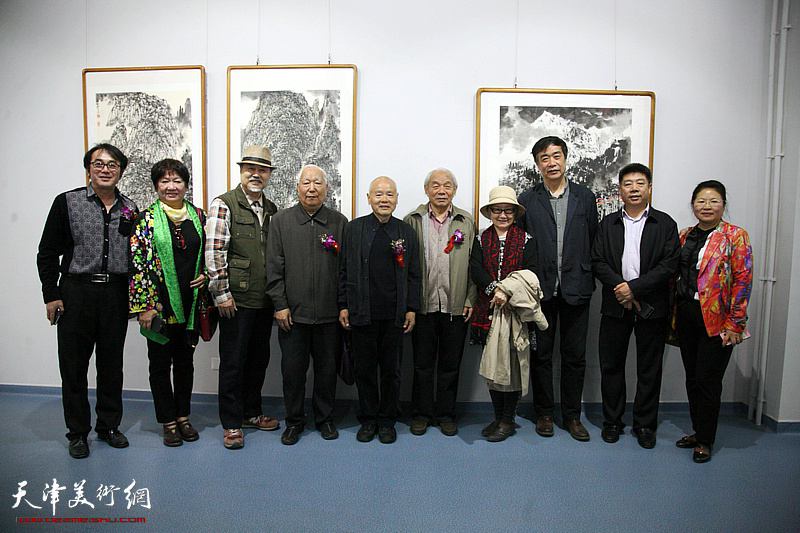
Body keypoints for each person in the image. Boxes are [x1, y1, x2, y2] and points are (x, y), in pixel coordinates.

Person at [37, 143, 137, 458]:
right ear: (89, 169)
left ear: (121, 170)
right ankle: (78, 433)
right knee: (74, 366)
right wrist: (51, 295)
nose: (105, 169)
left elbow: (138, 256)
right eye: (99, 163)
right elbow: (47, 252)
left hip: (115, 294)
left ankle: (108, 426)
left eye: (112, 164)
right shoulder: (67, 202)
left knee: (111, 365)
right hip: (75, 292)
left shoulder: (130, 208)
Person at [591, 163, 680, 449]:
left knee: (649, 369)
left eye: (640, 183)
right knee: (612, 366)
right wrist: (621, 288)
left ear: (649, 188)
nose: (634, 189)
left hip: (652, 306)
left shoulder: (665, 224)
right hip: (615, 305)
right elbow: (598, 261)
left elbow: (670, 265)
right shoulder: (607, 224)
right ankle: (613, 422)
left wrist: (635, 288)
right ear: (620, 190)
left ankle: (644, 425)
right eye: (627, 184)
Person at [517, 136, 598, 441]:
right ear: (537, 164)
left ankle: (573, 416)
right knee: (541, 355)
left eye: (556, 156)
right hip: (540, 291)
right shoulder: (527, 200)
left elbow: (592, 239)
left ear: (566, 159)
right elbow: (522, 246)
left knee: (575, 357)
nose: (551, 163)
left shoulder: (584, 198)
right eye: (544, 158)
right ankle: (544, 414)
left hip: (577, 287)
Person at [266, 164, 347, 445]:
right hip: (293, 315)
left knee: (326, 373)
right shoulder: (281, 221)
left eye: (317, 183)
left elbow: (344, 270)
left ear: (326, 188)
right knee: (293, 373)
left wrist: (343, 306)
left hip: (329, 315)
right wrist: (280, 304)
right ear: (297, 187)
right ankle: (294, 422)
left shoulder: (339, 222)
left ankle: (324, 419)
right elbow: (274, 268)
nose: (311, 188)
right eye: (306, 183)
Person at [205, 145, 280, 449]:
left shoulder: (272, 209)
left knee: (258, 360)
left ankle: (252, 413)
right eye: (250, 168)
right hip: (235, 300)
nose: (255, 174)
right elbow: (214, 252)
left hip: (264, 300)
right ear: (241, 171)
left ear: (269, 175)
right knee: (233, 363)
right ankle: (232, 424)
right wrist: (221, 294)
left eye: (262, 169)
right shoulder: (224, 204)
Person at [673, 180, 753, 463]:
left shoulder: (735, 237)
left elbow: (743, 282)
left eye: (713, 201)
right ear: (693, 205)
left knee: (708, 381)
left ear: (723, 205)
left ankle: (706, 440)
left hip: (717, 319)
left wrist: (736, 324)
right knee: (693, 379)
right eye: (701, 201)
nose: (706, 206)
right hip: (686, 314)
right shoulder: (684, 236)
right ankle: (698, 430)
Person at [129, 159, 206, 447]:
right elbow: (137, 265)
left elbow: (210, 255)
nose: (171, 186)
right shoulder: (147, 219)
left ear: (186, 185)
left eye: (177, 181)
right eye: (164, 181)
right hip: (158, 308)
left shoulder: (200, 216)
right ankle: (168, 422)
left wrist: (206, 276)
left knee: (186, 364)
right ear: (156, 185)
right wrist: (144, 307)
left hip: (190, 308)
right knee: (159, 365)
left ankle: (184, 417)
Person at [338, 177, 421, 444]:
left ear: (396, 199)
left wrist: (411, 308)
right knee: (364, 371)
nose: (384, 199)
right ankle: (368, 419)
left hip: (394, 316)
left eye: (389, 195)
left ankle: (387, 420)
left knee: (391, 371)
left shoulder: (406, 232)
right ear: (369, 197)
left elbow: (415, 274)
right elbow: (343, 271)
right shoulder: (353, 229)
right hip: (362, 313)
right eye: (378, 194)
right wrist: (343, 305)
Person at [403, 168, 476, 437]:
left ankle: (446, 414)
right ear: (427, 190)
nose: (442, 190)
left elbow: (473, 264)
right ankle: (421, 414)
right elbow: (403, 266)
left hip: (455, 307)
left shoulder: (465, 221)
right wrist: (409, 305)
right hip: (422, 307)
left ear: (454, 190)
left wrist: (470, 298)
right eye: (436, 185)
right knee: (421, 366)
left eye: (447, 185)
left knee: (450, 366)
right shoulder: (412, 220)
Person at [470, 186, 541, 442]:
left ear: (515, 213)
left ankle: (508, 420)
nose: (502, 215)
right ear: (490, 212)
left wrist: (508, 292)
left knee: (511, 367)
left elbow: (531, 273)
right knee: (493, 367)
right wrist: (495, 289)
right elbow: (476, 270)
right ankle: (498, 417)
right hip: (487, 312)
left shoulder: (526, 240)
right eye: (497, 210)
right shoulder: (480, 239)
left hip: (516, 314)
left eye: (508, 210)